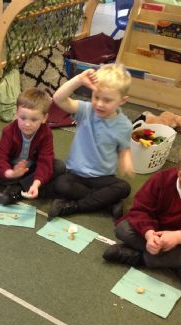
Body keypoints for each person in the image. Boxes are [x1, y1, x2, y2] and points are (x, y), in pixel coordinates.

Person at [48, 63, 134, 221]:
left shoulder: (125, 125)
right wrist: (79, 80)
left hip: (103, 177)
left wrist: (126, 158)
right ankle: (107, 203)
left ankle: (74, 206)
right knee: (61, 184)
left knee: (124, 188)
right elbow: (58, 99)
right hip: (76, 174)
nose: (99, 104)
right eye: (96, 97)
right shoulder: (85, 110)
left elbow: (124, 147)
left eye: (107, 100)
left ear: (122, 100)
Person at [103, 144, 181, 285]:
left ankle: (138, 258)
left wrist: (179, 236)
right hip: (155, 229)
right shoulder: (161, 180)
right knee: (123, 229)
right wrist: (149, 234)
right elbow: (140, 210)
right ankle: (175, 263)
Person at [0, 87, 65, 205]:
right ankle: (22, 185)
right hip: (12, 167)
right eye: (23, 118)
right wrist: (11, 173)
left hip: (32, 169)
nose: (27, 124)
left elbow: (45, 160)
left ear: (44, 118)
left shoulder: (46, 133)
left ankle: (18, 187)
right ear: (17, 114)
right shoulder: (9, 131)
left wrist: (36, 183)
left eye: (34, 120)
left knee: (59, 166)